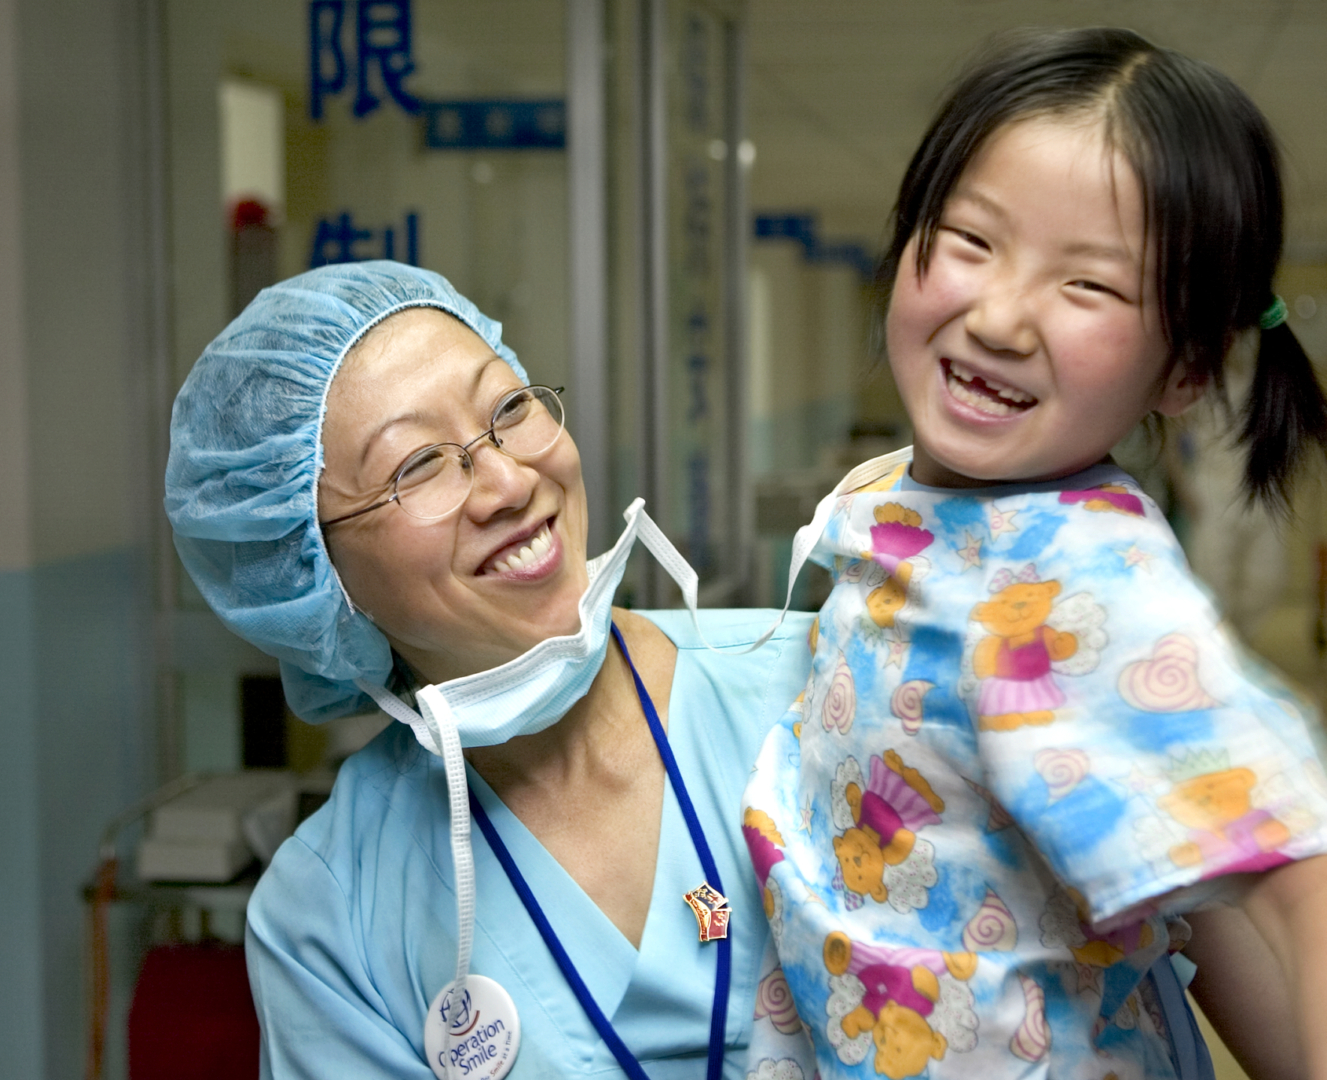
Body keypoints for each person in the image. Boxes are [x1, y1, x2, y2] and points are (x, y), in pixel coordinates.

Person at [742, 28, 1327, 1080]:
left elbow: (1296, 876)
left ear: (1185, 369)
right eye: (970, 240)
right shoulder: (888, 498)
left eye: (1089, 287)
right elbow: (1195, 891)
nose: (1002, 316)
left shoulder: (1081, 577)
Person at [165, 261, 817, 1079]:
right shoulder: (332, 912)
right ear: (313, 573)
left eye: (509, 408)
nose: (509, 482)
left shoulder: (818, 683)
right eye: (418, 466)